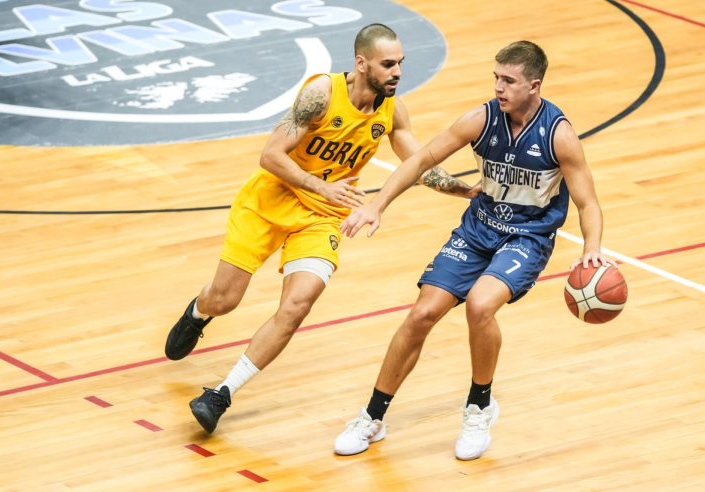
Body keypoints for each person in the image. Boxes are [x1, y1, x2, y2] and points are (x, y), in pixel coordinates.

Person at [163, 23, 478, 434]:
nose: (398, 72)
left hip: (321, 217)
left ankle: (220, 394)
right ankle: (199, 312)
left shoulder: (392, 110)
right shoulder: (321, 94)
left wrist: (464, 190)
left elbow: (419, 165)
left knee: (298, 304)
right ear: (361, 64)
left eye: (400, 63)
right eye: (388, 64)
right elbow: (270, 154)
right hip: (270, 201)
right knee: (224, 299)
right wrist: (320, 185)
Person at [334, 40, 615, 460]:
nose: (499, 88)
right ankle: (372, 416)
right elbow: (420, 160)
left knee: (480, 306)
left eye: (509, 81)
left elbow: (588, 202)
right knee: (422, 314)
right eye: (496, 78)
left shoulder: (559, 135)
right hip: (477, 229)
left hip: (527, 238)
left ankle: (479, 406)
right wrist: (377, 205)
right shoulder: (480, 119)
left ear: (534, 86)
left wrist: (592, 248)